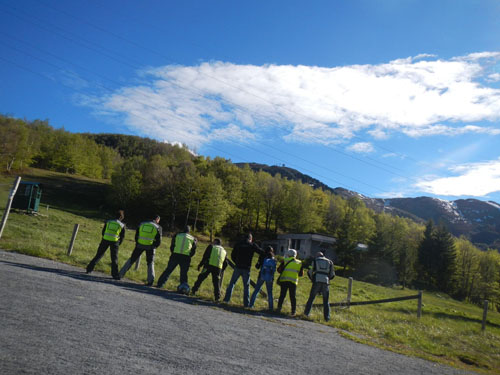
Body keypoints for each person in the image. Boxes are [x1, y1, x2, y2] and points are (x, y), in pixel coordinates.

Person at [119, 215, 162, 286]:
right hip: (150, 247)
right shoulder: (158, 227)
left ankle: (120, 274)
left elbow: (136, 235)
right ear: (157, 219)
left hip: (139, 245)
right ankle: (150, 280)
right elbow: (159, 241)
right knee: (150, 262)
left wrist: (137, 243)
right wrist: (154, 246)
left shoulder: (142, 224)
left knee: (132, 259)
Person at [223, 233, 263, 307]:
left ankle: (226, 299)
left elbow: (233, 255)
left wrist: (236, 262)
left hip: (238, 266)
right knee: (246, 286)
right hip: (246, 268)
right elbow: (261, 252)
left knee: (232, 284)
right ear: (251, 239)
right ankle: (246, 303)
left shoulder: (238, 244)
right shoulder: (252, 245)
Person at [86, 210, 126, 280]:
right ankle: (115, 274)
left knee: (99, 254)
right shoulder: (122, 225)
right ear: (121, 217)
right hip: (115, 242)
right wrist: (119, 243)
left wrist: (105, 237)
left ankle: (89, 269)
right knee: (114, 259)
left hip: (105, 239)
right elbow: (122, 236)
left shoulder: (108, 222)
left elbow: (103, 231)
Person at [304, 252, 335, 321]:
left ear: (317, 256)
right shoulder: (330, 262)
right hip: (326, 281)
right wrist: (327, 278)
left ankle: (306, 314)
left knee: (311, 298)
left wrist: (312, 278)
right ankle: (327, 318)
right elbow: (332, 274)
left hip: (317, 280)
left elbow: (310, 271)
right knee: (326, 301)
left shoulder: (315, 261)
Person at [276, 249, 304, 316]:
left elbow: (279, 270)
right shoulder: (299, 262)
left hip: (284, 280)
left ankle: (278, 309)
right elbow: (301, 274)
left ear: (288, 254)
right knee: (292, 296)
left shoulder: (285, 261)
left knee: (282, 295)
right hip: (293, 281)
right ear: (295, 255)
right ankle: (293, 311)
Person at [248, 246, 276, 310]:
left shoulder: (262, 256)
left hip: (262, 275)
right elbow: (274, 270)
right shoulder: (274, 259)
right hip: (270, 278)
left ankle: (251, 304)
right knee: (270, 292)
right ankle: (271, 308)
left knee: (256, 290)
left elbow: (257, 266)